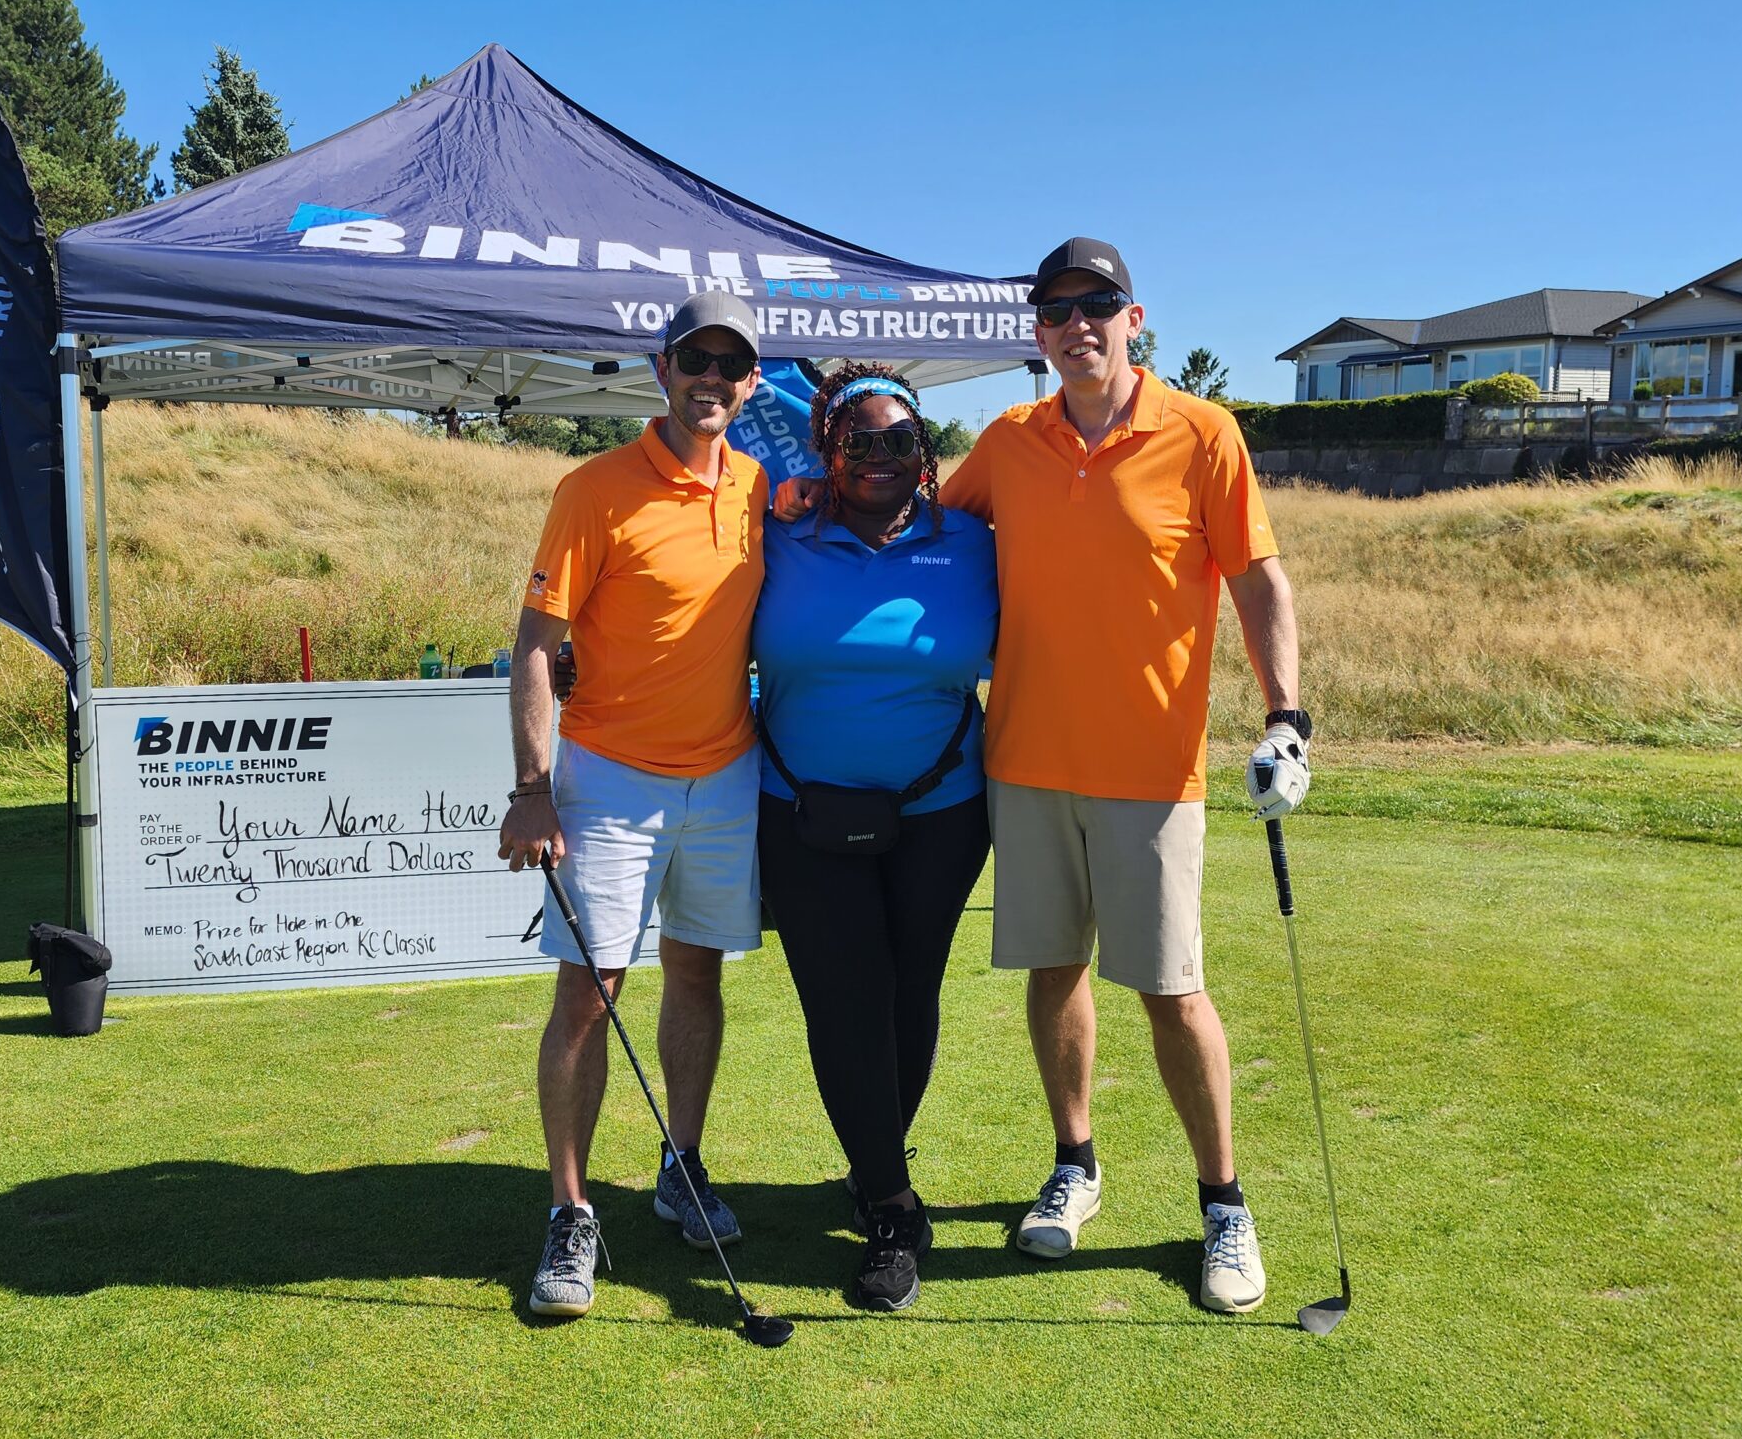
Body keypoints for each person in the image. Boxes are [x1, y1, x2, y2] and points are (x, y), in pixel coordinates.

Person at [784, 239, 1311, 1312]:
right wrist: (805, 491)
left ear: (1133, 318)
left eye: (1097, 304)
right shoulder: (1010, 441)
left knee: (1171, 989)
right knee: (1054, 970)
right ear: (1038, 331)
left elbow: (1257, 577)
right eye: (1058, 309)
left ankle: (1223, 1203)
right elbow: (914, 505)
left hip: (1149, 769)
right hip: (1021, 764)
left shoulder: (1203, 433)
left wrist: (1286, 717)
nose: (1079, 324)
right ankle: (1074, 1163)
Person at [496, 291, 770, 1321]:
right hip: (609, 778)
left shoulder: (759, 488)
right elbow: (536, 644)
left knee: (697, 972)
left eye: (729, 365)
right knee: (589, 991)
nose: (711, 379)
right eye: (694, 360)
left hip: (726, 775)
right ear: (662, 369)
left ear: (751, 383)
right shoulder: (594, 488)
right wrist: (533, 787)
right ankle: (570, 1211)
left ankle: (680, 1166)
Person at [751, 363, 996, 1312]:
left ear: (923, 449)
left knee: (909, 988)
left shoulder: (972, 543)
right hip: (799, 808)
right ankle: (894, 1208)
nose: (880, 456)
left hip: (943, 811)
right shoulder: (774, 533)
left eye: (900, 439)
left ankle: (872, 1163)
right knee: (843, 996)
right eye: (859, 440)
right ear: (828, 450)